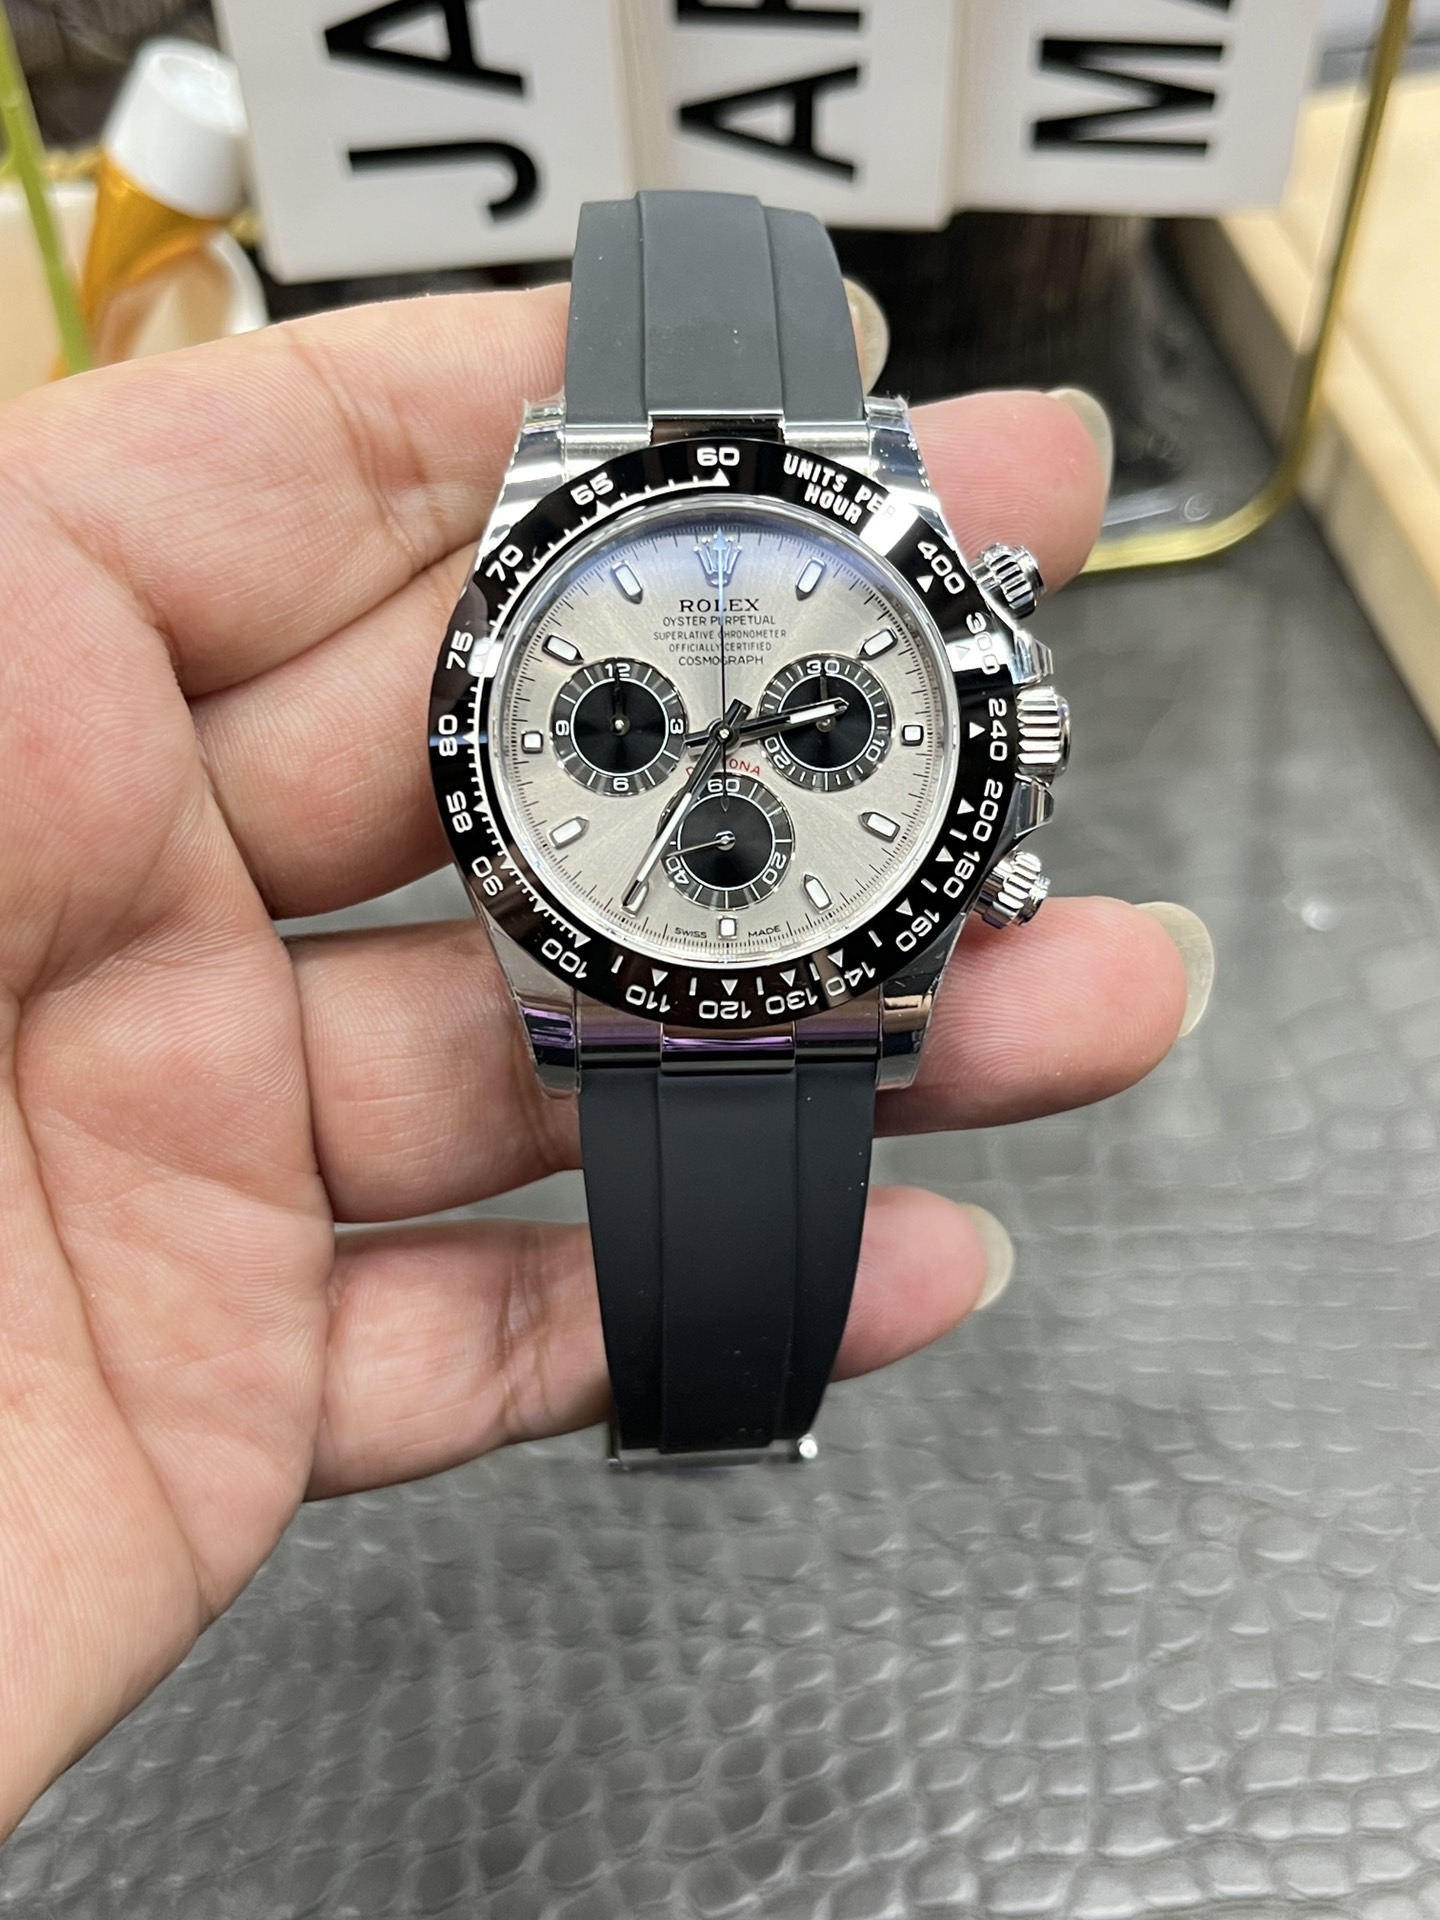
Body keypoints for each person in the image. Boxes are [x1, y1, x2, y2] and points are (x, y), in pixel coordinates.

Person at [0, 283, 1206, 1841]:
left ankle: (719, 1404)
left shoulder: (884, 689)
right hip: (616, 954)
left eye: (811, 726)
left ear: (1007, 736)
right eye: (636, 729)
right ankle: (712, 1405)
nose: (719, 758)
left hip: (782, 957)